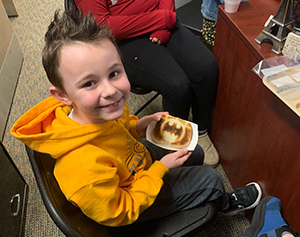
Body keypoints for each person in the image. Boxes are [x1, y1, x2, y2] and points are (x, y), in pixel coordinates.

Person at [11, 8, 262, 227]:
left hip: (133, 164)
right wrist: (160, 170)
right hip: (130, 199)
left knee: (193, 151)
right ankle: (225, 201)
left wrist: (137, 126)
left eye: (114, 73)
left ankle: (190, 191)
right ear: (63, 95)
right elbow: (121, 211)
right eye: (89, 83)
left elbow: (116, 130)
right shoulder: (82, 171)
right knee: (210, 179)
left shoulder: (97, 112)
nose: (110, 91)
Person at [74, 0, 220, 167]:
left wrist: (164, 27)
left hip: (160, 23)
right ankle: (177, 145)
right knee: (177, 85)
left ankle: (201, 131)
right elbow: (103, 25)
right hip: (124, 38)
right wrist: (162, 19)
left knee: (206, 68)